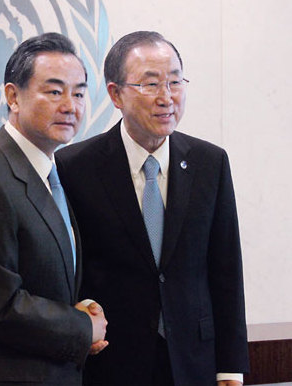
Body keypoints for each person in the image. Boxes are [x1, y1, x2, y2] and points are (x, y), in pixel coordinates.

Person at [56, 31, 249, 386]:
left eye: (175, 81)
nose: (167, 97)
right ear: (115, 94)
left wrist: (231, 367)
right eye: (151, 84)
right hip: (112, 362)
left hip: (195, 361)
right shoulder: (75, 166)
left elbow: (226, 270)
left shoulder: (210, 163)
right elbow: (68, 270)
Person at [0, 32, 108, 386]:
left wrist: (82, 316)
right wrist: (82, 328)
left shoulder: (52, 172)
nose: (70, 105)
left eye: (79, 93)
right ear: (13, 97)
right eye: (54, 91)